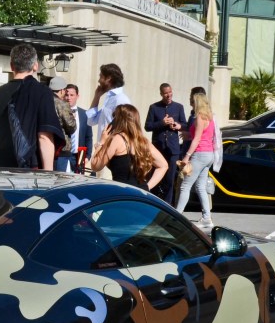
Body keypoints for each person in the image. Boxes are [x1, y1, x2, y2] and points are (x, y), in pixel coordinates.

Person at [0, 44, 64, 169]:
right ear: (35, 66)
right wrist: (48, 175)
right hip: (27, 170)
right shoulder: (42, 93)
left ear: (12, 66)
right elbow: (44, 137)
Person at [90, 104, 167, 191]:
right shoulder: (143, 142)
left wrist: (101, 143)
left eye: (115, 117)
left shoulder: (117, 139)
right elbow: (163, 165)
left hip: (123, 194)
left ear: (120, 120)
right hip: (140, 194)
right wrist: (147, 187)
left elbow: (96, 166)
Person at [176, 90, 217, 228]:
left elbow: (198, 139)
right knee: (200, 187)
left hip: (200, 154)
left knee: (185, 185)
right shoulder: (209, 117)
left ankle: (177, 216)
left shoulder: (199, 117)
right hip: (209, 154)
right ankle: (207, 217)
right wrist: (189, 134)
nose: (191, 104)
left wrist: (187, 157)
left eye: (193, 101)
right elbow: (202, 135)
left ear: (197, 102)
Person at [144, 83, 186, 203]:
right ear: (161, 94)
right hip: (158, 149)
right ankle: (154, 203)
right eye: (166, 93)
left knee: (170, 180)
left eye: (170, 92)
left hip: (173, 149)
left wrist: (177, 125)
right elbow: (148, 126)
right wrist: (162, 123)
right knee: (155, 178)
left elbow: (185, 124)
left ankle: (167, 206)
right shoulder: (154, 107)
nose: (168, 95)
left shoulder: (179, 107)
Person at [85, 63, 132, 146]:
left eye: (101, 77)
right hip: (103, 148)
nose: (99, 80)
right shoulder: (110, 99)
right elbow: (91, 121)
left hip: (113, 150)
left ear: (109, 78)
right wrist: (97, 96)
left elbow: (125, 129)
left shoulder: (121, 100)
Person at [61, 83, 93, 172]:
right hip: (63, 154)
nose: (69, 98)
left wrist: (88, 155)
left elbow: (88, 136)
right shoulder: (59, 112)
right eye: (67, 95)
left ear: (77, 96)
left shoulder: (84, 114)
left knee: (78, 179)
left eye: (72, 95)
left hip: (80, 153)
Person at [49, 75, 78, 166]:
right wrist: (72, 117)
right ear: (61, 90)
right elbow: (71, 126)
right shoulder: (62, 104)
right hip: (61, 149)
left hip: (45, 146)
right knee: (59, 179)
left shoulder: (43, 101)